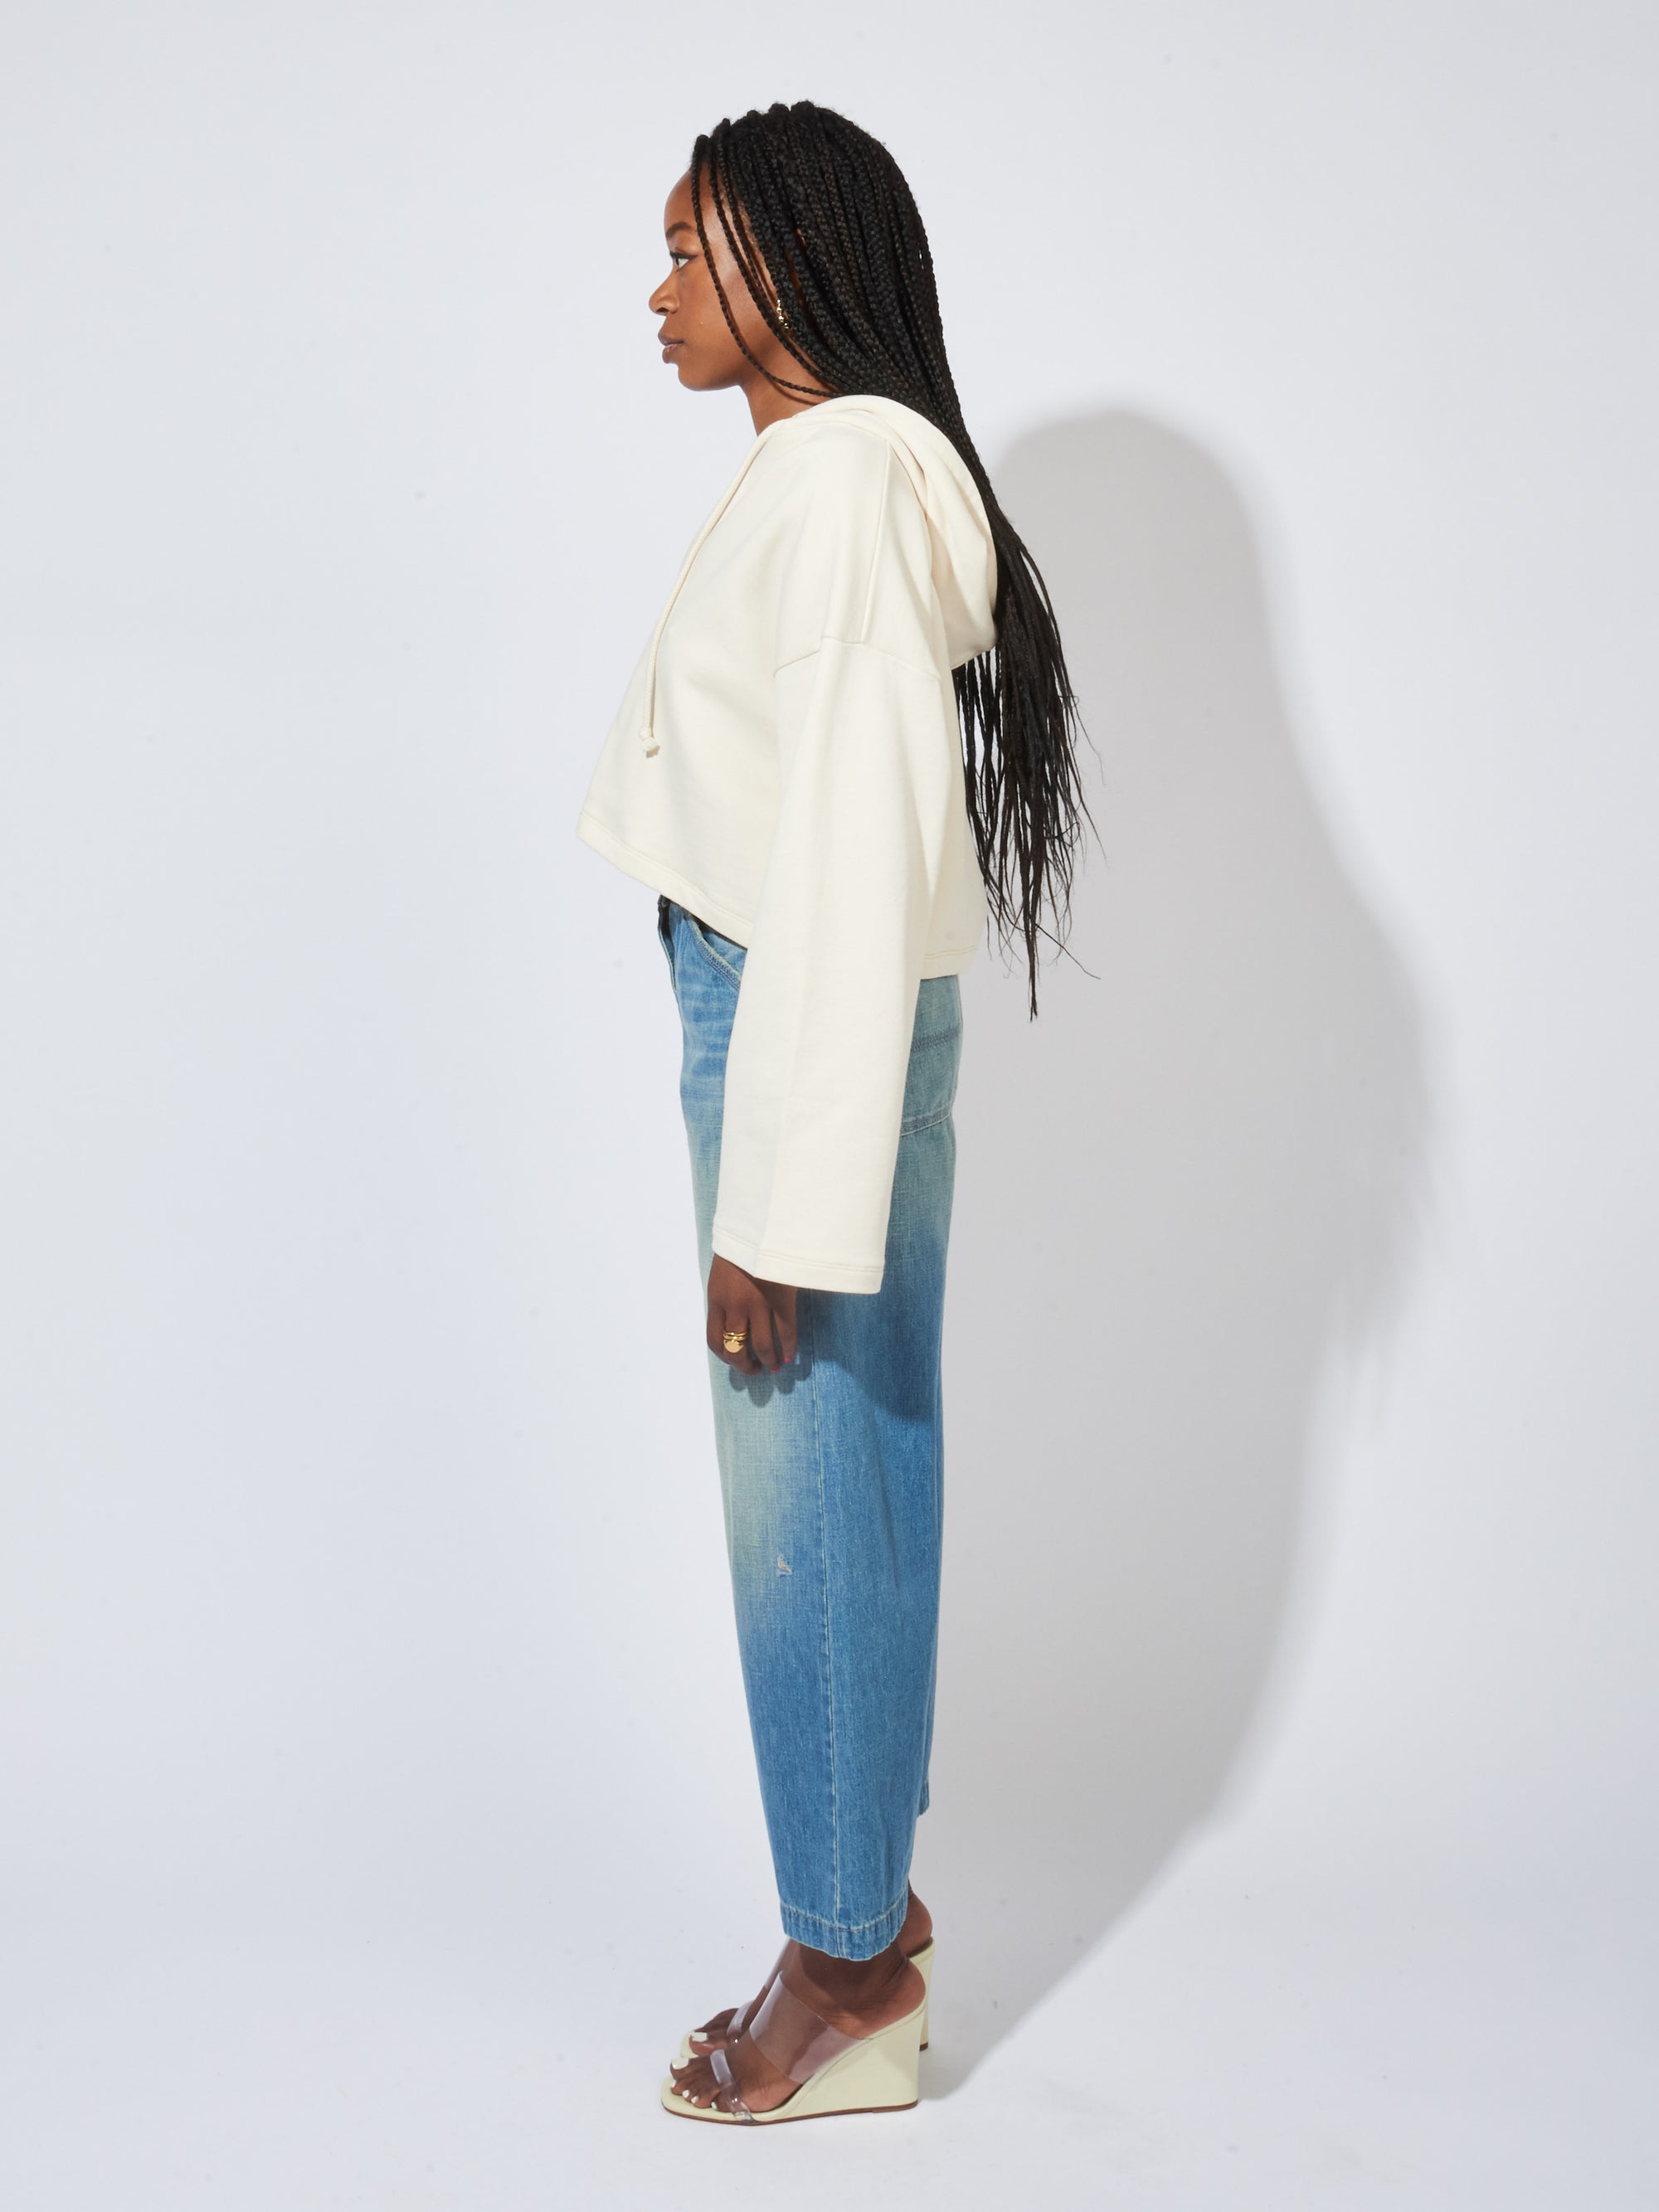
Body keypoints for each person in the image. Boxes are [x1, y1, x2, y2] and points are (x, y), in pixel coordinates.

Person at [577, 100, 1087, 2124]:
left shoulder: (851, 482)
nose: (657, 294)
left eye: (686, 253)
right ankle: (858, 1906)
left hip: (801, 1019)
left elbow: (854, 857)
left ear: (784, 266)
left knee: (813, 1499)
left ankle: (848, 1964)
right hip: (792, 1011)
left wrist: (779, 1203)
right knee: (841, 1473)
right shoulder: (828, 469)